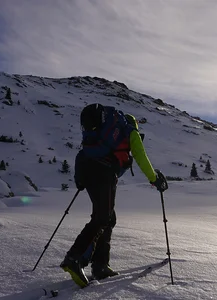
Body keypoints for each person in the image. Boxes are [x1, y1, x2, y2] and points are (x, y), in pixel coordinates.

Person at [60, 103, 169, 288]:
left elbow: (84, 152)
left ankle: (100, 265)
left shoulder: (103, 130)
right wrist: (154, 179)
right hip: (104, 172)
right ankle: (74, 258)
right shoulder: (129, 130)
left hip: (88, 171)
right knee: (103, 218)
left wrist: (80, 178)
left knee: (108, 218)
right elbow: (140, 156)